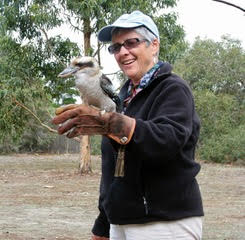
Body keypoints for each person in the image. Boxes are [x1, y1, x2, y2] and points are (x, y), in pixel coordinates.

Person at [52, 10, 204, 240]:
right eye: (115, 47)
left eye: (131, 43)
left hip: (165, 222)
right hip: (121, 221)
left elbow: (168, 141)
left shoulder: (172, 88)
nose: (122, 52)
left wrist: (113, 125)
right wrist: (103, 223)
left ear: (154, 45)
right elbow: (114, 169)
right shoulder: (123, 98)